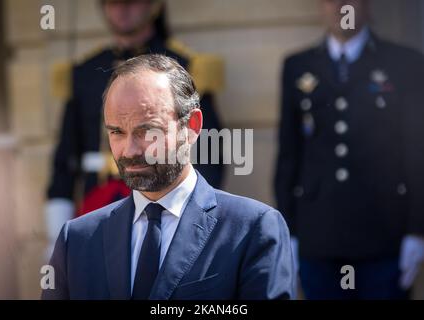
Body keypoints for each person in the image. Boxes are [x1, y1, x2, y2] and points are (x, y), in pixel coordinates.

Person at [42, 54, 294, 300]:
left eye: (147, 131)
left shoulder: (252, 229)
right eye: (117, 132)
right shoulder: (75, 240)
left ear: (192, 127)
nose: (129, 151)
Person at [45, 0, 224, 258]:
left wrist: (195, 217)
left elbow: (209, 151)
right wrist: (55, 233)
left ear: (154, 6)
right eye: (112, 3)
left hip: (167, 203)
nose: (122, 9)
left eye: (132, 2)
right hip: (98, 202)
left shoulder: (186, 64)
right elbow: (65, 157)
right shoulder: (83, 71)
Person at [275, 0, 424, 299]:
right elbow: (289, 154)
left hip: (383, 235)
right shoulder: (297, 66)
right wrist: (286, 231)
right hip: (318, 235)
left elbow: (417, 151)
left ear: (367, 5)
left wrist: (417, 230)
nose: (341, 7)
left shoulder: (405, 64)